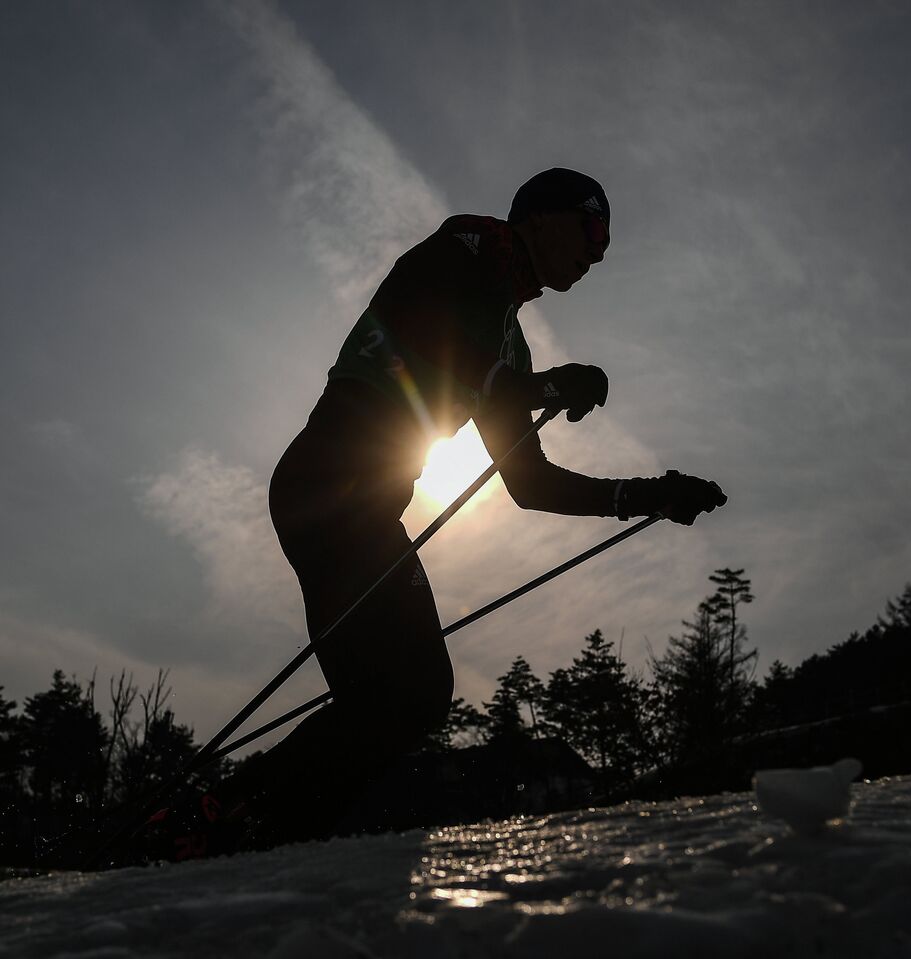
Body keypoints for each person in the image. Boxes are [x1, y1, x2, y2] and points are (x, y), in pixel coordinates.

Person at [147, 169, 726, 857]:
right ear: (538, 217)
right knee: (408, 693)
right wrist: (543, 386)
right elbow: (430, 349)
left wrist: (648, 493)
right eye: (591, 226)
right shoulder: (468, 248)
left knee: (400, 700)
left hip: (358, 501)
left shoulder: (511, 344)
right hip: (331, 484)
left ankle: (254, 835)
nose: (598, 249)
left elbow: (530, 483)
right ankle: (220, 816)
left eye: (606, 240)